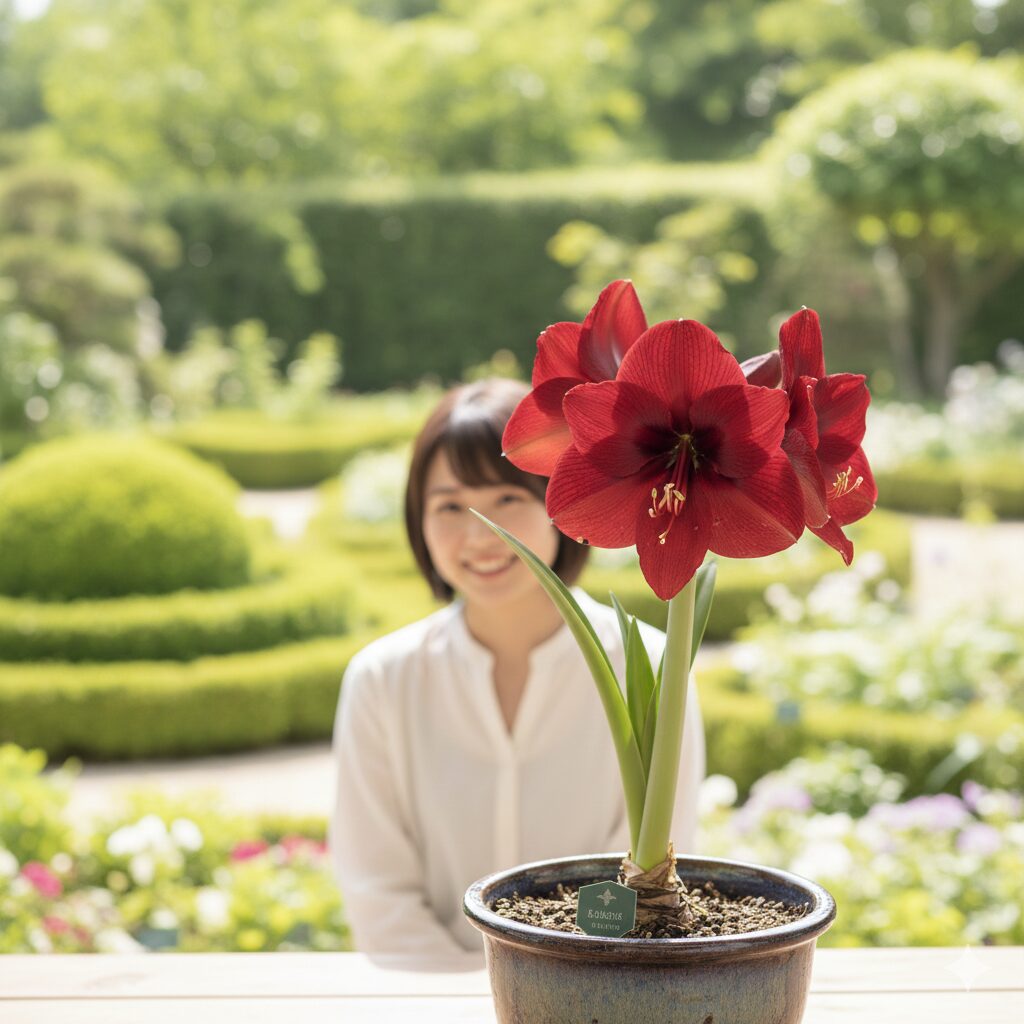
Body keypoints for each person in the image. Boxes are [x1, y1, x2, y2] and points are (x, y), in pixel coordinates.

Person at [329, 378, 705, 963]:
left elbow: (655, 870)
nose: (481, 534)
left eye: (508, 499)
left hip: (598, 995)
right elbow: (376, 889)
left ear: (565, 500)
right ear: (417, 519)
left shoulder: (654, 667)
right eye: (450, 506)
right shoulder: (383, 679)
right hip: (433, 1004)